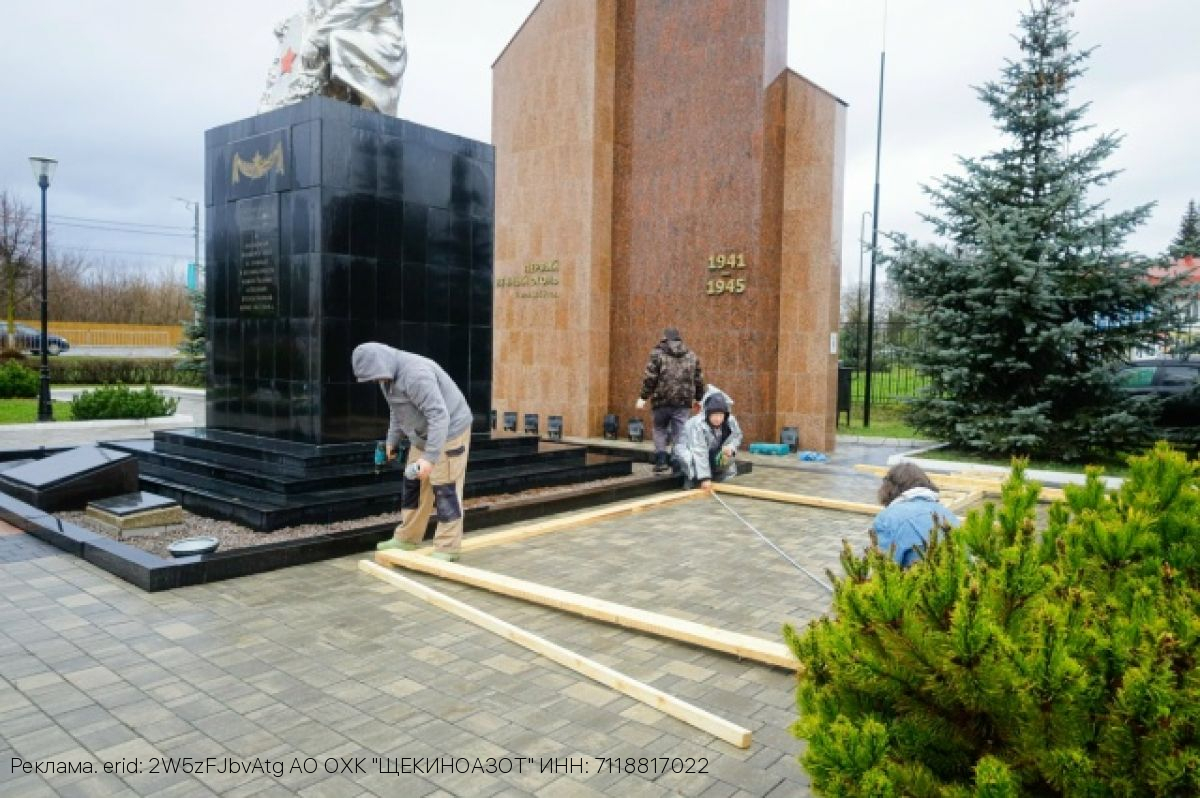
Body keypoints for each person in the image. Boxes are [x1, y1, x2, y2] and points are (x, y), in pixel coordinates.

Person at [352, 342, 472, 561]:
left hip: (449, 431)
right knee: (413, 485)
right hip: (422, 434)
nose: (375, 381)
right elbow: (397, 410)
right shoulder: (386, 378)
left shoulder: (415, 375)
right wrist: (392, 440)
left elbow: (439, 416)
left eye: (374, 376)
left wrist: (430, 458)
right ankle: (408, 538)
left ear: (381, 363)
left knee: (445, 490)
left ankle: (447, 547)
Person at [637, 327, 705, 473]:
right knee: (680, 432)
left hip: (661, 400)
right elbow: (698, 379)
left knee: (659, 429)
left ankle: (661, 461)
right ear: (679, 338)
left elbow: (650, 378)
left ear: (664, 338)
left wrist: (643, 397)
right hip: (683, 401)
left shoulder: (657, 354)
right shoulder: (691, 355)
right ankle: (677, 461)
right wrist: (699, 398)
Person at [870, 463, 960, 569]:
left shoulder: (887, 518)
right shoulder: (947, 513)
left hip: (916, 577)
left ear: (888, 488)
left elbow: (882, 569)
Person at [675, 386, 742, 493]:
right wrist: (705, 478)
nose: (718, 419)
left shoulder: (730, 422)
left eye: (720, 415)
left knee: (728, 456)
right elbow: (699, 451)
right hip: (689, 452)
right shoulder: (698, 425)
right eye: (714, 415)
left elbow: (737, 436)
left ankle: (717, 477)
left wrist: (730, 447)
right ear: (708, 413)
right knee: (690, 459)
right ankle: (693, 481)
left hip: (712, 451)